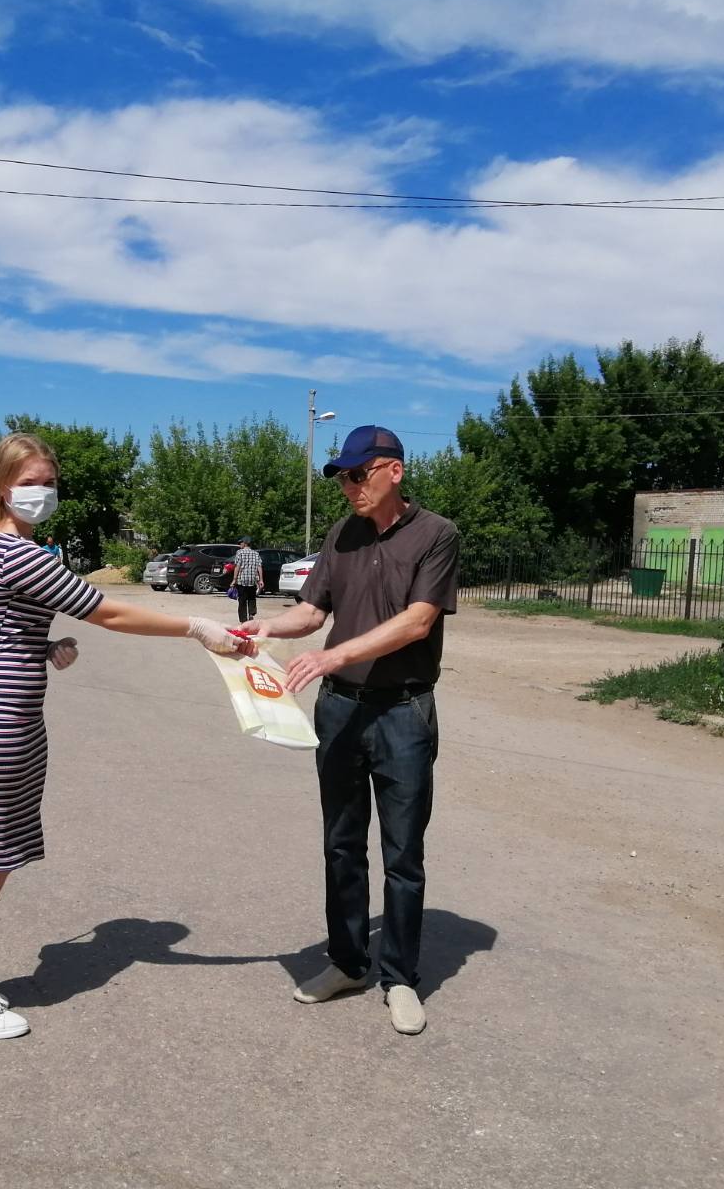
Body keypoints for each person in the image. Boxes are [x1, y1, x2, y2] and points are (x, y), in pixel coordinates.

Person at [0, 432, 252, 1041]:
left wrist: (42, 647)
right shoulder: (15, 552)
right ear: (1, 487)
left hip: (12, 718)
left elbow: (0, 630)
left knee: (0, 854)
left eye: (49, 483)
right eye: (29, 482)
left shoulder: (8, 547)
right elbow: (110, 611)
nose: (41, 493)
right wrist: (197, 627)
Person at [239, 425, 460, 1036]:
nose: (349, 487)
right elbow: (313, 611)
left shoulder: (436, 534)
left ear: (394, 471)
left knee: (402, 853)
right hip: (339, 709)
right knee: (341, 842)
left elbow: (417, 622)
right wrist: (262, 629)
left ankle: (400, 978)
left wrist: (334, 655)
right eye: (342, 478)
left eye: (359, 475)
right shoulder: (342, 534)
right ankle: (347, 962)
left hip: (403, 712)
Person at [231, 536, 264, 624]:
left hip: (241, 580)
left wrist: (234, 579)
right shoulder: (256, 553)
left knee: (242, 600)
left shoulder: (239, 553)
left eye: (241, 543)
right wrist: (261, 580)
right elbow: (259, 567)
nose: (240, 544)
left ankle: (243, 620)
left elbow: (237, 566)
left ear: (245, 543)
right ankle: (251, 614)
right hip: (252, 580)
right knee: (252, 598)